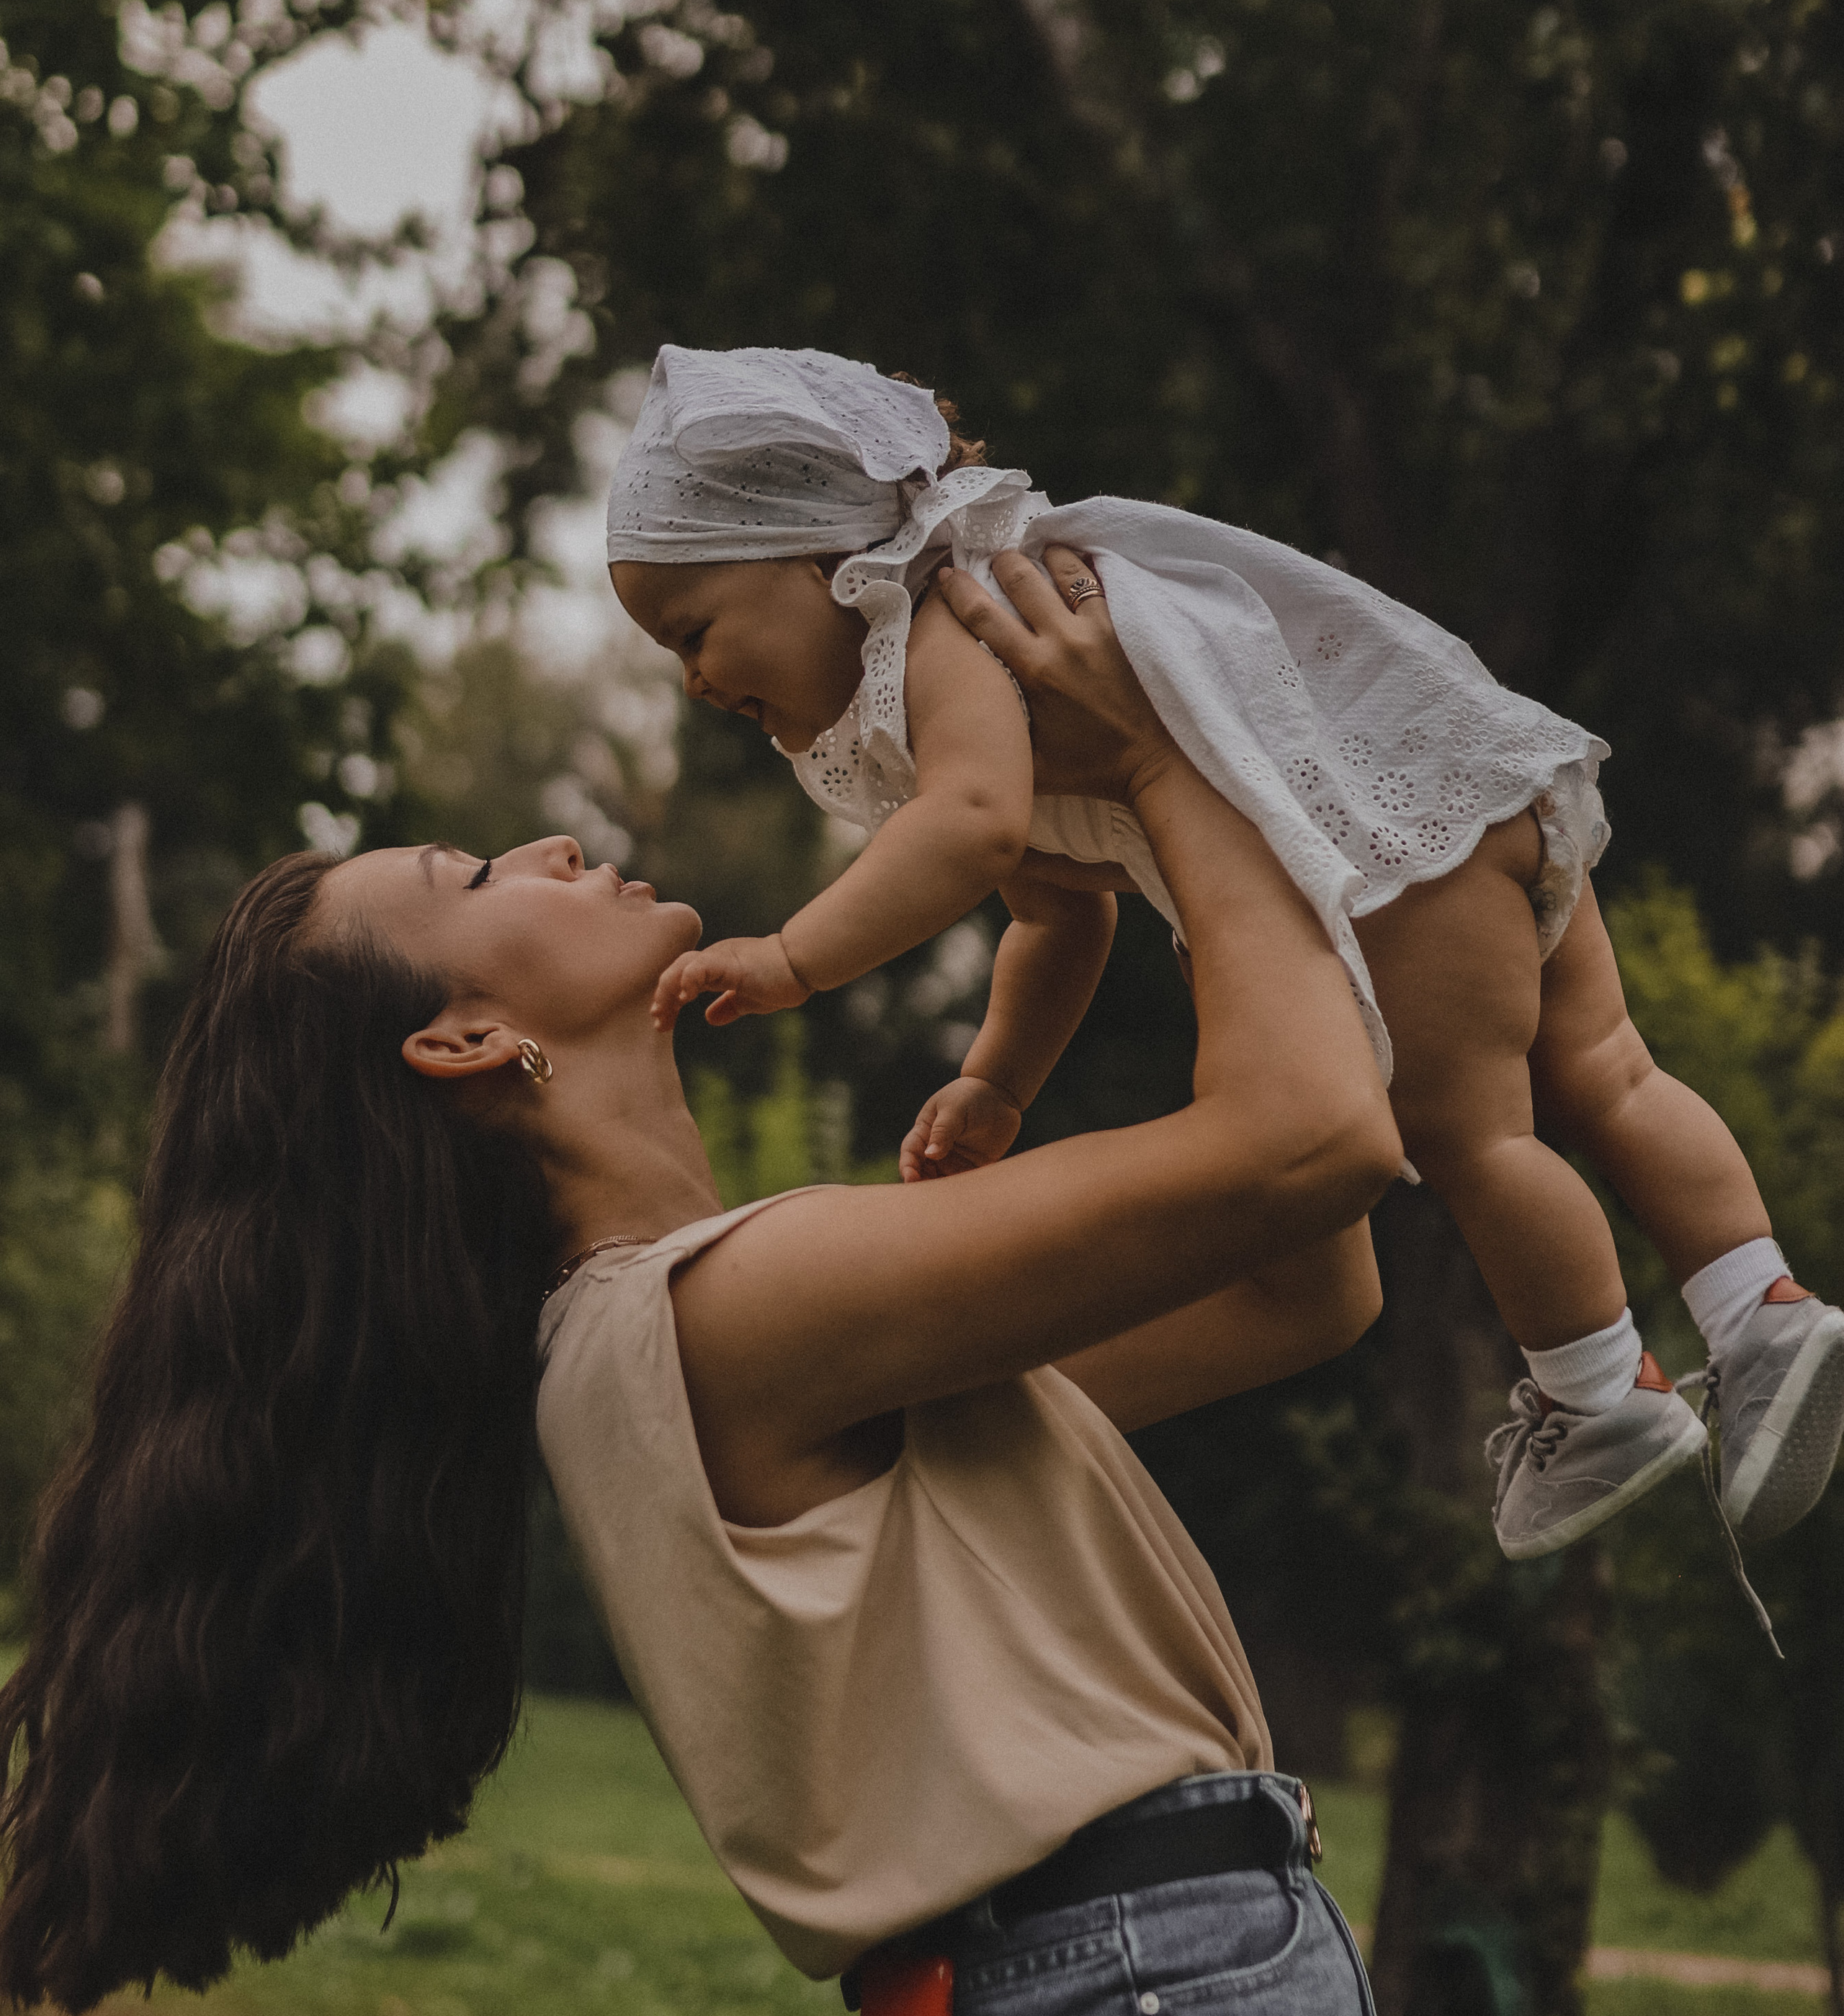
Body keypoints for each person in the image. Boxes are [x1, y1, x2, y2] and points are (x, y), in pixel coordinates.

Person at [0, 546, 1400, 2016]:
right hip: (1136, 1979)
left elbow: (1301, 1284)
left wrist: (1140, 827)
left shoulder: (708, 1333)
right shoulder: (724, 1319)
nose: (538, 843)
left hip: (1131, 1976)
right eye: (469, 880)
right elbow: (1314, 1140)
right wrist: (1151, 758)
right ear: (467, 1044)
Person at [608, 343, 1844, 1562]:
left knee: (1478, 1134)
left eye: (693, 627)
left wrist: (794, 955)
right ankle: (1762, 1309)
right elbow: (1056, 912)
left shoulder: (951, 615)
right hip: (1465, 781)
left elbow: (970, 826)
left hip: (1384, 856)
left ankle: (1598, 1390)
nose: (695, 682)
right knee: (1609, 1068)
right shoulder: (1006, 610)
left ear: (818, 553)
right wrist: (1000, 1079)